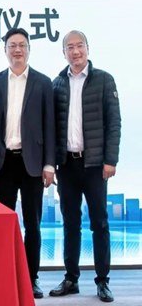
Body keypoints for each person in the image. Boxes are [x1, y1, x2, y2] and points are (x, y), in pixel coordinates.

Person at [49, 30, 121, 303]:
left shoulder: (104, 80)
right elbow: (52, 127)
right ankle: (71, 278)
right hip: (67, 164)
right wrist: (52, 163)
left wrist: (110, 160)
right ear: (64, 52)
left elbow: (114, 123)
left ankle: (103, 281)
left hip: (95, 165)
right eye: (70, 47)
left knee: (99, 223)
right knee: (70, 223)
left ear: (88, 48)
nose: (75, 51)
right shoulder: (57, 84)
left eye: (79, 46)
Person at [0, 27, 55, 299]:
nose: (17, 50)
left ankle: (31, 278)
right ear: (5, 50)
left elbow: (50, 125)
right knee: (3, 223)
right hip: (3, 162)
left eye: (22, 45)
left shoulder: (43, 82)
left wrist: (49, 164)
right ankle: (3, 274)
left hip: (33, 163)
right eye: (12, 45)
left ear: (28, 49)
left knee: (33, 224)